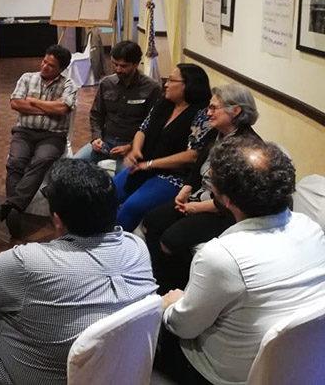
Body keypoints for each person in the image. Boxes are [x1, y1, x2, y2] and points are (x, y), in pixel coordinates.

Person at [0, 159, 157, 384]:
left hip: (39, 377)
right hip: (115, 372)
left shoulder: (32, 262)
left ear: (58, 219)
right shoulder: (136, 248)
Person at [157, 137, 325, 384]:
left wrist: (172, 304)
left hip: (224, 375)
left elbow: (183, 327)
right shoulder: (311, 227)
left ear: (225, 199)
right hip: (300, 364)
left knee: (152, 322)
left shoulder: (222, 255)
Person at [143, 84, 261, 293]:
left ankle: (177, 288)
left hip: (224, 211)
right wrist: (186, 189)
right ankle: (159, 279)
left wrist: (198, 208)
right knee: (151, 222)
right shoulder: (217, 133)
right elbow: (198, 166)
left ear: (236, 111)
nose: (208, 113)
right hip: (200, 197)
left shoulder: (248, 147)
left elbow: (237, 198)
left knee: (170, 240)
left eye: (214, 108)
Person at [114, 63, 213, 232]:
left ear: (187, 85)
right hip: (145, 165)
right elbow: (143, 129)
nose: (166, 84)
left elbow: (193, 155)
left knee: (132, 206)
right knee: (106, 193)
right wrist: (136, 150)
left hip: (174, 175)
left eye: (172, 80)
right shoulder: (164, 103)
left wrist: (150, 164)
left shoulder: (202, 114)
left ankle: (114, 243)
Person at [0, 44, 77, 239]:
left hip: (53, 135)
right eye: (44, 61)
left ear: (62, 68)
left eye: (51, 65)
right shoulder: (27, 78)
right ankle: (15, 209)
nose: (44, 67)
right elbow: (15, 103)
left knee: (42, 160)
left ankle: (13, 206)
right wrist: (50, 107)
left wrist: (33, 101)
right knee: (15, 161)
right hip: (24, 133)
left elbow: (62, 109)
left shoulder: (68, 84)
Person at [73, 40, 162, 174]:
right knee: (72, 165)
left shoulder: (152, 88)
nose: (118, 69)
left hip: (132, 145)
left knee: (123, 178)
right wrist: (96, 138)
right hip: (105, 141)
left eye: (123, 66)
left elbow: (153, 125)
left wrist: (131, 146)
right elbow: (96, 114)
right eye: (115, 64)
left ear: (136, 64)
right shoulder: (107, 83)